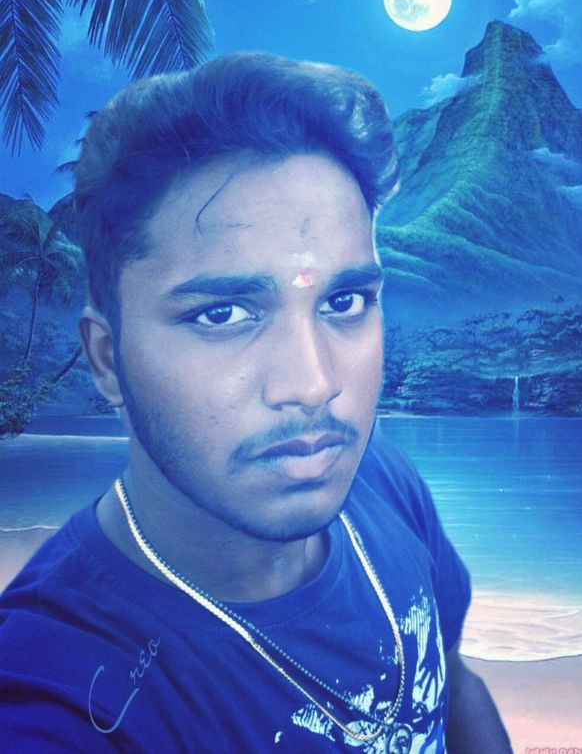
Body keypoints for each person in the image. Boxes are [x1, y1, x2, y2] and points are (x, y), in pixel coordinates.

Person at [0, 53, 512, 752]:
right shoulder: (59, 692)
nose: (313, 384)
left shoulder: (381, 481)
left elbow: (452, 682)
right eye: (224, 314)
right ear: (108, 359)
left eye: (344, 301)